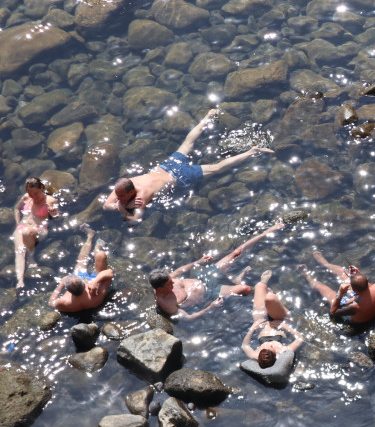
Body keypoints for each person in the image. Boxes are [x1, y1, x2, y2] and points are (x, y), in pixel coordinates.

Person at [102, 109, 274, 223]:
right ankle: (207, 117)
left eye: (121, 197)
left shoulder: (141, 196)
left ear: (131, 192)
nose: (118, 198)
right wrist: (120, 205)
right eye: (118, 195)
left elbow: (134, 219)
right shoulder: (126, 183)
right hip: (167, 166)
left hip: (179, 176)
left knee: (217, 168)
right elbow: (106, 205)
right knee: (187, 144)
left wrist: (122, 208)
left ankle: (251, 151)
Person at [150, 222, 284, 320]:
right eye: (169, 284)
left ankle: (267, 232)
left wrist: (198, 261)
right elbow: (189, 318)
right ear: (161, 288)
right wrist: (211, 307)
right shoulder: (166, 303)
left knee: (236, 253)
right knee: (246, 289)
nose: (173, 283)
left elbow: (180, 270)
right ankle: (238, 281)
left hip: (205, 276)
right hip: (211, 293)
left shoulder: (166, 279)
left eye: (171, 280)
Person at [299, 251, 375, 326]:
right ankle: (326, 264)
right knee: (342, 272)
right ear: (367, 280)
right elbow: (367, 287)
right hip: (372, 306)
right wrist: (358, 274)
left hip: (359, 320)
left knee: (320, 286)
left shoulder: (353, 306)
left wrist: (340, 293)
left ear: (354, 290)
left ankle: (307, 276)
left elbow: (333, 311)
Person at [241, 270, 303, 369]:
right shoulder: (283, 351)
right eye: (272, 348)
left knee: (259, 286)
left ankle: (264, 282)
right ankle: (274, 298)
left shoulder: (255, 355)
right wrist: (284, 326)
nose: (269, 344)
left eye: (264, 347)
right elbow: (300, 338)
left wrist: (252, 329)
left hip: (261, 320)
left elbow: (245, 346)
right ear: (275, 356)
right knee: (270, 297)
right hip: (281, 320)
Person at [49, 225, 113, 313]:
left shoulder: (64, 302)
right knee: (101, 255)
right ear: (83, 282)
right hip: (94, 282)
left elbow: (51, 303)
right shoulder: (96, 296)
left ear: (68, 290)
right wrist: (95, 282)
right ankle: (98, 246)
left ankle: (90, 236)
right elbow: (109, 273)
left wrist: (61, 284)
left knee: (82, 259)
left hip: (76, 303)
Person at [12, 177, 59, 289]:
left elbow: (57, 218)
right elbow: (16, 209)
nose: (33, 196)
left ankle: (31, 258)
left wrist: (54, 214)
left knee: (27, 231)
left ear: (42, 188)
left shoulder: (51, 201)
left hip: (40, 230)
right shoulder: (26, 197)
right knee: (19, 250)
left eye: (36, 193)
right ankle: (20, 281)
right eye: (30, 192)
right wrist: (18, 223)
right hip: (23, 226)